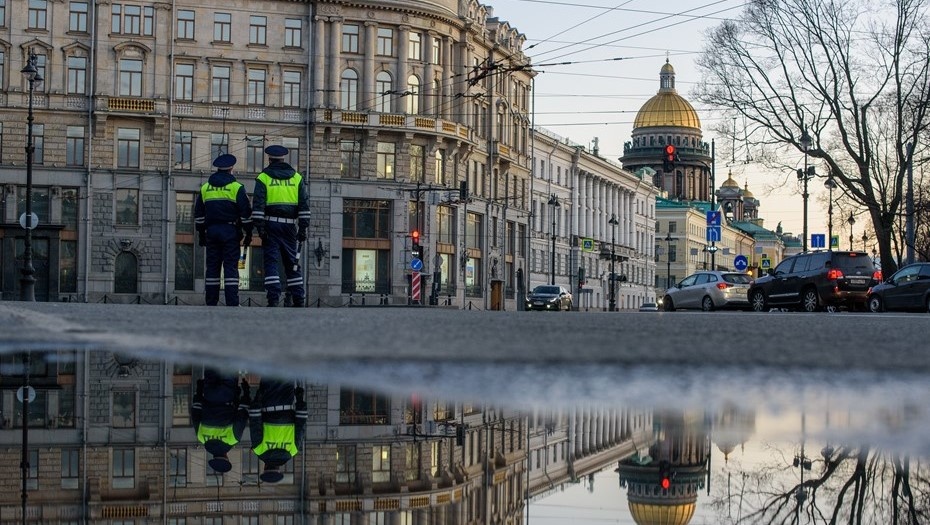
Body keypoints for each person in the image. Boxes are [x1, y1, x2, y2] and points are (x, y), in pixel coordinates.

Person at [250, 145, 311, 307]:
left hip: (271, 225)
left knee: (271, 261)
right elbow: (304, 206)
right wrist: (303, 228)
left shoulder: (263, 177)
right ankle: (298, 297)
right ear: (284, 159)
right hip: (290, 227)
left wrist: (260, 228)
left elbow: (258, 205)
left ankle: (273, 297)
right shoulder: (297, 178)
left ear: (269, 159)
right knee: (293, 262)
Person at [194, 154, 253, 306]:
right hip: (230, 232)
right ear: (231, 169)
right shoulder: (237, 188)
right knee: (230, 267)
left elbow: (199, 215)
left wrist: (201, 234)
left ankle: (211, 301)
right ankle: (232, 302)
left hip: (211, 232)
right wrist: (248, 233)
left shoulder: (205, 188)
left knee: (212, 267)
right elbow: (246, 214)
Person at [190, 369, 251, 473]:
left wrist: (246, 392)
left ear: (226, 457)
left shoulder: (233, 439)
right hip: (209, 393)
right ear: (213, 457)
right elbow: (196, 410)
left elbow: (242, 414)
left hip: (228, 394)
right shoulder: (201, 437)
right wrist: (199, 389)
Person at [249, 379, 307, 483]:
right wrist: (257, 399)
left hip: (287, 398)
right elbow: (254, 419)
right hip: (267, 399)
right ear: (265, 467)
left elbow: (301, 422)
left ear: (279, 469)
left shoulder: (293, 450)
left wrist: (300, 399)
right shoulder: (259, 450)